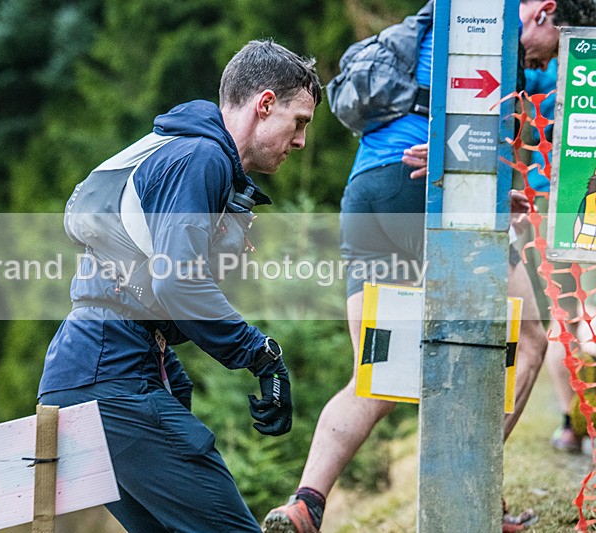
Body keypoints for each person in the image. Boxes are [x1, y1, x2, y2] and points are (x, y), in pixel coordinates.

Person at [262, 2, 596, 532]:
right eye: (556, 45)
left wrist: (491, 189)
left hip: (368, 193)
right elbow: (465, 130)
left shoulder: (445, 22)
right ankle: (470, 494)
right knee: (532, 338)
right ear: (545, 12)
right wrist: (468, 180)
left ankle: (305, 503)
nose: (548, 60)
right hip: (428, 187)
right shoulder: (490, 31)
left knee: (377, 375)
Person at [38, 39, 322, 532]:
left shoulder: (179, 151)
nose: (300, 141)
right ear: (265, 104)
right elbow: (178, 282)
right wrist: (262, 356)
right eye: (298, 122)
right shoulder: (202, 157)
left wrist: (172, 374)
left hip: (82, 373)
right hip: (114, 376)